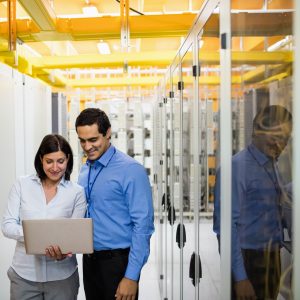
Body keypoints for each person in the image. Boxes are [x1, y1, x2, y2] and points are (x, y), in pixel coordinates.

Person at [213, 105, 293, 300]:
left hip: (272, 256)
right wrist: (240, 278)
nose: (280, 143)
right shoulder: (236, 168)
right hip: (248, 260)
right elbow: (225, 228)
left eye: (285, 137)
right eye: (275, 136)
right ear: (257, 132)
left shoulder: (273, 164)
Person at [75, 108, 154, 300]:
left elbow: (143, 226)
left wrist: (131, 276)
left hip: (118, 263)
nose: (87, 147)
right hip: (90, 261)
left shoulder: (131, 170)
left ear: (108, 133)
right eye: (82, 141)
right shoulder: (85, 170)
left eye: (93, 140)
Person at [2, 134, 86, 300]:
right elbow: (7, 225)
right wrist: (38, 237)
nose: (55, 168)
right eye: (49, 161)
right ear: (41, 159)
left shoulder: (76, 192)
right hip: (24, 276)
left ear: (68, 159)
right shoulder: (22, 185)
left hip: (62, 278)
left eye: (60, 161)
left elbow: (75, 236)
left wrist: (64, 250)